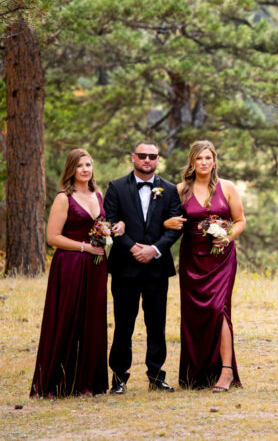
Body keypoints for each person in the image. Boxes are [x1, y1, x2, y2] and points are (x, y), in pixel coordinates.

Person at [31, 149, 123, 397]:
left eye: (88, 164)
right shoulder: (64, 198)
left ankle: (89, 383)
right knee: (67, 319)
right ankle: (58, 383)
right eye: (80, 165)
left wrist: (112, 230)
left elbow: (102, 227)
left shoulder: (99, 195)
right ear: (71, 169)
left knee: (93, 321)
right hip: (70, 264)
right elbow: (53, 238)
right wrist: (85, 247)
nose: (85, 169)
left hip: (96, 268)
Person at [162, 140, 245, 391]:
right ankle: (196, 371)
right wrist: (167, 224)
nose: (204, 162)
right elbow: (166, 220)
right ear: (192, 162)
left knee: (218, 309)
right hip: (192, 258)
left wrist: (226, 237)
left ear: (214, 160)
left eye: (208, 158)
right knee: (196, 312)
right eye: (199, 158)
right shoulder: (180, 190)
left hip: (221, 257)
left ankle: (227, 372)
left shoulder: (227, 187)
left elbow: (240, 221)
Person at [104, 140, 184, 394]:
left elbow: (177, 225)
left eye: (152, 156)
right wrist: (133, 248)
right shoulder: (116, 187)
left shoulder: (170, 190)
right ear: (133, 158)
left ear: (158, 159)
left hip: (157, 268)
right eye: (142, 155)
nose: (147, 160)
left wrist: (155, 249)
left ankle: (156, 376)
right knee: (123, 323)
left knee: (157, 324)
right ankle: (118, 379)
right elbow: (110, 222)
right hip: (125, 267)